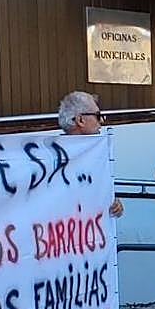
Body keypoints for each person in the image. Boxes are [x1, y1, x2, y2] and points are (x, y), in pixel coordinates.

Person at [58, 90, 123, 218]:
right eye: (97, 116)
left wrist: (112, 202)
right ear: (80, 120)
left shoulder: (98, 155)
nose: (101, 122)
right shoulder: (51, 157)